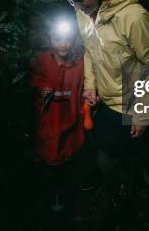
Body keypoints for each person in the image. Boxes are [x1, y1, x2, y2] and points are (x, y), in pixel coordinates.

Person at [58, 0, 149, 180]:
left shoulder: (133, 17)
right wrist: (91, 85)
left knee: (108, 158)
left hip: (127, 104)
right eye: (68, 0)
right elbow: (89, 50)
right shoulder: (82, 12)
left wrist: (143, 113)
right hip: (102, 98)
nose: (74, 6)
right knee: (96, 142)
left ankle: (118, 197)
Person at [30, 16, 88, 213]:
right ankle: (51, 190)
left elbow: (85, 88)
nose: (63, 44)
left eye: (67, 39)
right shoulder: (42, 61)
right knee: (50, 159)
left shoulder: (79, 65)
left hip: (70, 121)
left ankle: (63, 190)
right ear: (49, 40)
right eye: (57, 39)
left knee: (69, 159)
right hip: (49, 123)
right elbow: (34, 82)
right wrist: (42, 88)